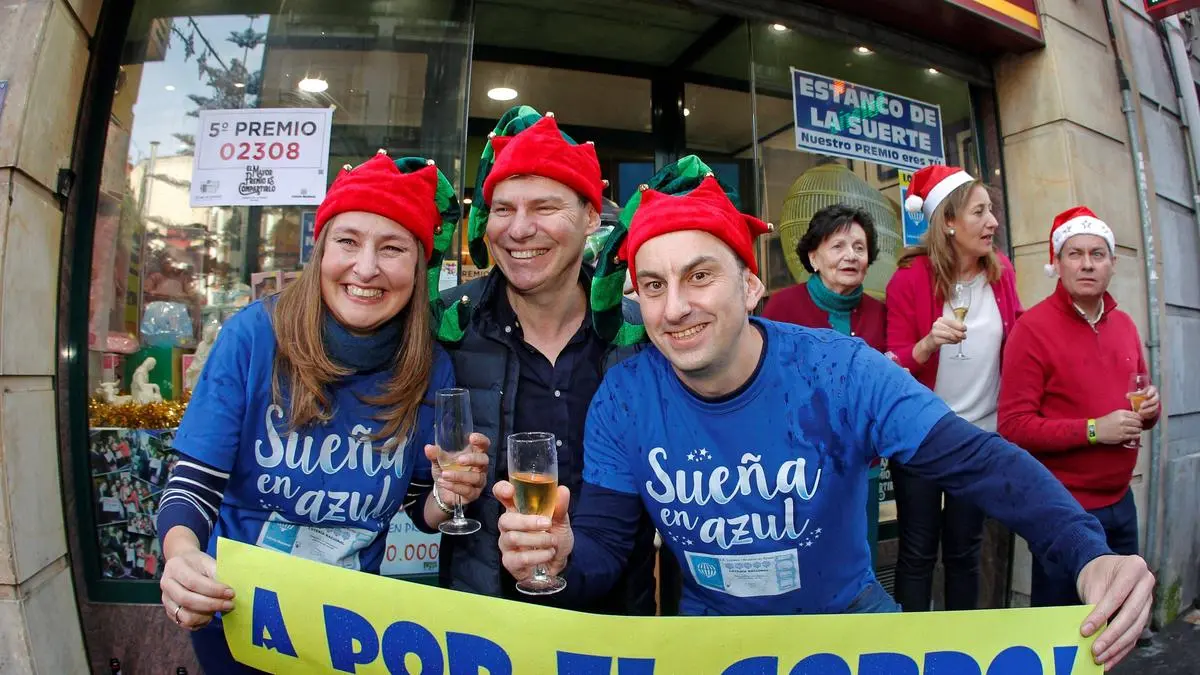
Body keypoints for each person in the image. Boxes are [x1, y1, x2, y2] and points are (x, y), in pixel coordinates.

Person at [494, 166, 1154, 670]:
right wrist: (560, 555)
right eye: (654, 285)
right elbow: (606, 550)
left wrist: (1087, 554)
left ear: (750, 285)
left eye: (699, 276)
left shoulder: (839, 371)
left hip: (850, 624)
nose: (674, 309)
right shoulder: (626, 396)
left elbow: (977, 460)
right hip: (712, 641)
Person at [154, 152, 489, 674]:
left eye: (392, 248)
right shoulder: (253, 337)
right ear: (321, 250)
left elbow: (415, 508)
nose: (366, 267)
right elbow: (194, 483)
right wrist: (180, 555)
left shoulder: (430, 366)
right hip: (239, 619)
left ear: (418, 266)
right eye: (348, 241)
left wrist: (449, 496)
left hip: (351, 630)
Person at [433, 106, 656, 614]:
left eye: (544, 207)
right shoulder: (449, 326)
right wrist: (445, 494)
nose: (518, 229)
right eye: (503, 209)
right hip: (483, 622)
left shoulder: (641, 336)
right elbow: (411, 490)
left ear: (591, 217)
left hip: (616, 623)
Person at [999, 206, 1161, 607]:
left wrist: (1151, 408)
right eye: (1075, 254)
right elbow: (1014, 426)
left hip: (1121, 502)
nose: (1087, 264)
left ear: (1112, 264)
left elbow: (1141, 402)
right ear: (1057, 263)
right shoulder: (1031, 329)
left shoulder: (1125, 325)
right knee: (1063, 626)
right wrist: (1093, 429)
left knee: (1118, 615)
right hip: (1064, 509)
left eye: (1097, 254)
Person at [885, 164, 1023, 612]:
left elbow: (1019, 337)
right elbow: (893, 364)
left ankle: (963, 644)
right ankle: (910, 645)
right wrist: (927, 344)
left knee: (965, 551)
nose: (993, 222)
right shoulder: (909, 279)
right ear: (948, 221)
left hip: (980, 437)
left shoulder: (1002, 273)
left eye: (991, 211)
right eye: (979, 212)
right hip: (922, 435)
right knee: (918, 553)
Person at [761, 204, 886, 351]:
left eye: (859, 248)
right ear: (813, 258)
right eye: (838, 246)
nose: (851, 256)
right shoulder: (782, 306)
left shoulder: (881, 313)